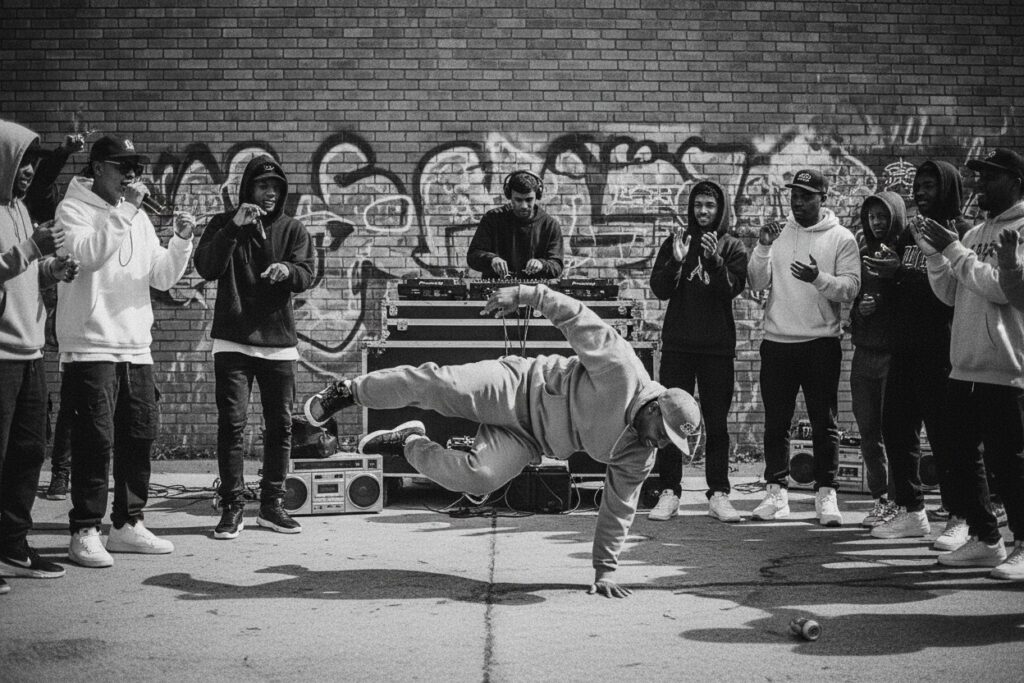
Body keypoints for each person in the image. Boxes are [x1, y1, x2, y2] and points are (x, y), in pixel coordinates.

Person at [303, 284, 703, 598]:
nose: (660, 445)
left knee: (478, 479)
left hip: (529, 440)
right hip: (517, 386)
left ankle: (407, 442)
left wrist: (605, 570)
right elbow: (575, 315)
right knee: (439, 384)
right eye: (663, 434)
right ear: (654, 408)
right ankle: (349, 391)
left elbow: (619, 507)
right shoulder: (622, 368)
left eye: (670, 444)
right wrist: (526, 294)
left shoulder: (639, 454)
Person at [55, 135, 194, 568]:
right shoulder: (72, 210)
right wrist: (126, 210)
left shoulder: (137, 217)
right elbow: (88, 256)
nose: (132, 176)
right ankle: (85, 529)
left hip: (136, 346)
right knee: (94, 441)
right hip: (90, 345)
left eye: (137, 168)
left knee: (138, 437)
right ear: (98, 167)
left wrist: (181, 242)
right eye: (123, 167)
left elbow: (161, 278)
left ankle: (127, 524)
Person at [912, 147, 1024, 580]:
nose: (980, 183)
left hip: (1006, 368)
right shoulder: (976, 232)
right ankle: (986, 539)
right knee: (958, 459)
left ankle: (1022, 544)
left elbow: (1002, 289)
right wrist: (935, 256)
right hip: (964, 366)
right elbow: (951, 295)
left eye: (990, 176)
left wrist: (955, 250)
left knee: (1009, 465)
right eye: (978, 175)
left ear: (1015, 182)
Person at [194, 156, 315, 540]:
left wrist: (288, 271)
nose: (270, 193)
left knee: (280, 427)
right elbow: (207, 267)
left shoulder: (292, 228)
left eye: (276, 187)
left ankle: (271, 505)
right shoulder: (223, 223)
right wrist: (234, 226)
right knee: (232, 426)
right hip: (232, 341)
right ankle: (232, 507)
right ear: (248, 188)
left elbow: (307, 272)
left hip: (278, 344)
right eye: (263, 186)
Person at [747, 169, 860, 526]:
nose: (798, 201)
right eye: (794, 194)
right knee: (776, 424)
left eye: (806, 195)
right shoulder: (778, 233)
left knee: (824, 424)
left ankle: (826, 494)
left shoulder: (841, 238)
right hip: (777, 342)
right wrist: (763, 246)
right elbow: (756, 283)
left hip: (820, 343)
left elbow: (850, 288)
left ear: (823, 198)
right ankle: (776, 493)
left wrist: (818, 278)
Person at [870, 161, 971, 544]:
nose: (920, 192)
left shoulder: (960, 233)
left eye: (929, 185)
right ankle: (912, 511)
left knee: (946, 437)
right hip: (905, 348)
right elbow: (899, 283)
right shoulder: (911, 232)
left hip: (942, 351)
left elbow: (951, 295)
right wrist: (889, 273)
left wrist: (900, 273)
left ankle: (960, 515)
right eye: (918, 185)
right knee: (896, 427)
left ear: (947, 189)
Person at [0, 120, 78, 594]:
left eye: (33, 162)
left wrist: (53, 267)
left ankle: (11, 545)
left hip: (29, 350)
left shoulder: (20, 211)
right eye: (22, 161)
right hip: (0, 355)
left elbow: (24, 271)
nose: (29, 170)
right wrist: (32, 248)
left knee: (28, 453)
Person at [647, 180, 748, 523]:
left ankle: (718, 494)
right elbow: (659, 289)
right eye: (698, 205)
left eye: (710, 205)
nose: (703, 211)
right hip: (678, 346)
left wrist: (715, 261)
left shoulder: (732, 246)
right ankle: (669, 492)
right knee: (671, 420)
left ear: (720, 210)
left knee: (717, 423)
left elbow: (731, 289)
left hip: (716, 349)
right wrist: (676, 263)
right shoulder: (677, 241)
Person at [23, 133, 87, 502]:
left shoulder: (45, 204)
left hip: (58, 301)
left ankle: (62, 472)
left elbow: (43, 180)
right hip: (35, 308)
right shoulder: (25, 207)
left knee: (70, 394)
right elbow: (43, 179)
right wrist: (64, 150)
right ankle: (58, 472)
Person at [847, 192, 906, 528]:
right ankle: (880, 498)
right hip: (863, 353)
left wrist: (883, 299)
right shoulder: (863, 255)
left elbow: (915, 302)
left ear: (895, 217)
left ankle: (899, 501)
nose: (877, 222)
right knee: (868, 432)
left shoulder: (906, 254)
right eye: (871, 217)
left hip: (893, 356)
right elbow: (853, 303)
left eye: (883, 216)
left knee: (895, 432)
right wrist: (861, 310)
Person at [467, 170, 564, 280]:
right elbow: (472, 256)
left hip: (535, 289)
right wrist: (492, 259)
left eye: (529, 200)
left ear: (537, 195)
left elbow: (557, 265)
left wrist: (542, 264)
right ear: (509, 195)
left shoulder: (550, 225)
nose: (524, 206)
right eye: (518, 200)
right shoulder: (492, 219)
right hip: (498, 288)